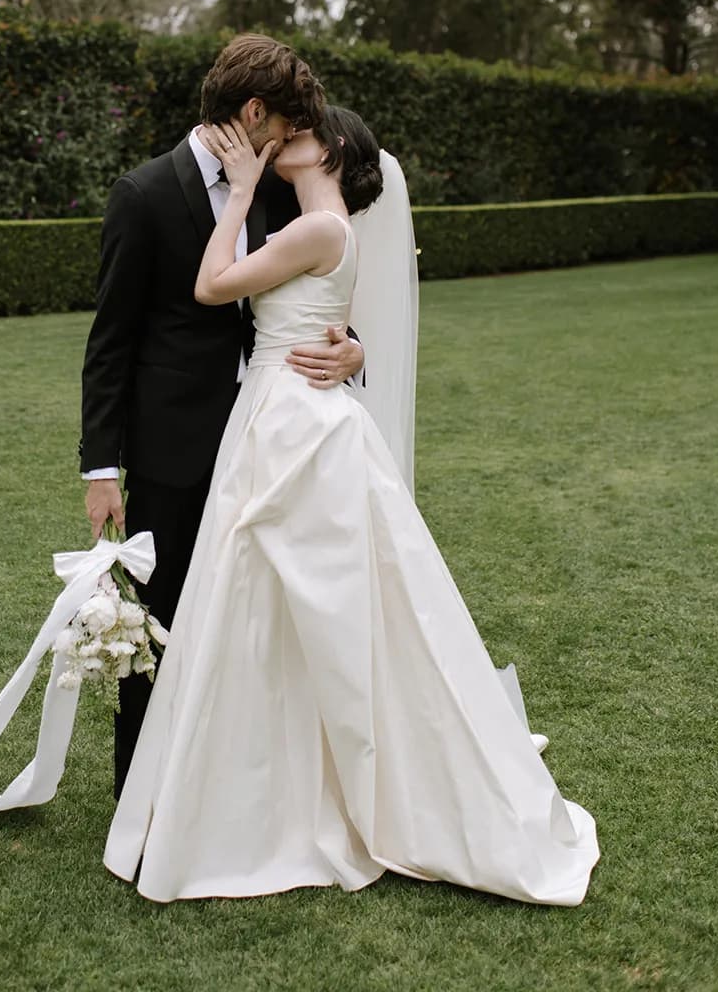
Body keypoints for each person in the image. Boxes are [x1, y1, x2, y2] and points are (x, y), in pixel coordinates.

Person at [103, 108, 600, 904]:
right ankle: (264, 781)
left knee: (311, 596)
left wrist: (234, 196)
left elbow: (212, 285)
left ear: (329, 150)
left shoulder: (314, 224)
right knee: (268, 602)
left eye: (301, 131)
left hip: (295, 424)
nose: (281, 138)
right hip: (276, 416)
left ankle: (285, 796)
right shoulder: (306, 219)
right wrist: (349, 341)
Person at [79, 34, 365, 796]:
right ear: (255, 112)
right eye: (290, 124)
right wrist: (102, 467)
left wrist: (352, 351)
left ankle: (248, 781)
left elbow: (310, 299)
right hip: (176, 448)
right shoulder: (143, 194)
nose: (295, 140)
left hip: (277, 439)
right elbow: (109, 342)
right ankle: (139, 789)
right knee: (165, 616)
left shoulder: (276, 192)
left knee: (267, 612)